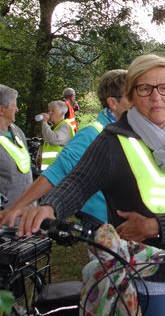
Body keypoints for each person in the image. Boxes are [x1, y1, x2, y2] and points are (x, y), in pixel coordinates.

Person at [14, 55, 165, 316]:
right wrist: (50, 207)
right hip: (146, 275)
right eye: (145, 88)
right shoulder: (112, 141)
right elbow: (77, 182)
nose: (156, 97)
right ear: (132, 95)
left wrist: (155, 225)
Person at [0, 70, 129, 225]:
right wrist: (17, 207)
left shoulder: (133, 128)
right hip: (106, 225)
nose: (140, 101)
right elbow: (57, 170)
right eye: (132, 95)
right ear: (113, 103)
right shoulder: (92, 133)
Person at [0, 85, 32, 205]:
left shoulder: (17, 131)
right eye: (14, 105)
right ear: (1, 110)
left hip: (26, 210)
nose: (17, 109)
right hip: (6, 216)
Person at [39, 100, 75, 171]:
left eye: (53, 111)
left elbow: (52, 139)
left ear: (62, 113)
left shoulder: (65, 126)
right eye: (49, 110)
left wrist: (44, 122)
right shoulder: (55, 127)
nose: (49, 113)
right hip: (52, 171)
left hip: (59, 171)